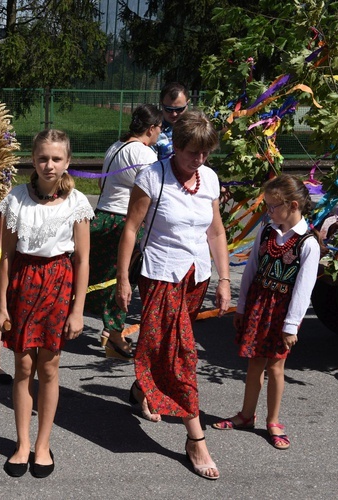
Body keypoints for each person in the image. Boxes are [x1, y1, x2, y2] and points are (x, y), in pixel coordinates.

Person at [116, 110, 230, 480]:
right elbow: (131, 229)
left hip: (196, 277)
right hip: (161, 275)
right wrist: (122, 279)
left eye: (204, 153)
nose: (198, 160)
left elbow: (215, 232)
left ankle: (142, 386)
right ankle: (195, 438)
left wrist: (225, 280)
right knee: (181, 354)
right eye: (191, 152)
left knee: (164, 346)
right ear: (175, 147)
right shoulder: (152, 176)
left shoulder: (208, 178)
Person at [0, 129, 93, 479]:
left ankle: (42, 444)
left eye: (56, 159)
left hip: (57, 285)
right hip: (23, 285)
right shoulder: (16, 199)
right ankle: (22, 443)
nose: (48, 165)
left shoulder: (77, 203)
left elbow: (82, 260)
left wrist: (78, 310)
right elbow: (6, 254)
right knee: (23, 368)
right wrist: (1, 302)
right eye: (42, 158)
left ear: (67, 162)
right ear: (32, 160)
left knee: (49, 368)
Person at [212, 175, 320, 450]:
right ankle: (246, 415)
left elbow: (303, 289)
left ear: (293, 205)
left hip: (282, 313)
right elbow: (251, 271)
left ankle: (273, 420)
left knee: (275, 366)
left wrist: (291, 325)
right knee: (254, 362)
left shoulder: (308, 243)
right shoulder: (267, 231)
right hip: (259, 305)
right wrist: (243, 306)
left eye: (273, 206)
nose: (268, 211)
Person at [85, 104, 162, 358]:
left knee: (106, 279)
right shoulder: (144, 154)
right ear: (151, 129)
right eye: (160, 128)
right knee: (122, 280)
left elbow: (101, 181)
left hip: (103, 216)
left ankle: (110, 329)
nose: (161, 133)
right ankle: (115, 334)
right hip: (121, 222)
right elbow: (155, 190)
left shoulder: (115, 147)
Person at [153, 82, 190, 160]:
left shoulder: (195, 128)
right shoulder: (153, 130)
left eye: (179, 109)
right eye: (168, 109)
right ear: (161, 104)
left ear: (187, 103)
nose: (174, 114)